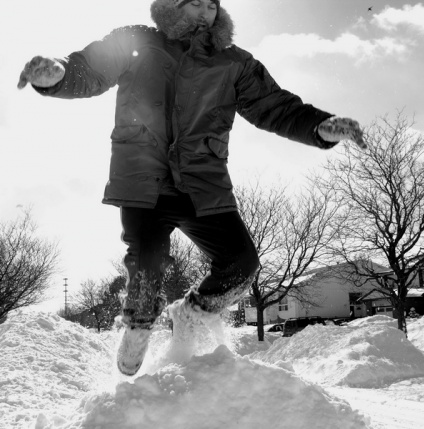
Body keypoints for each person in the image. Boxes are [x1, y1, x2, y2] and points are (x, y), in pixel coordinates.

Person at [18, 0, 366, 375]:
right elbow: (89, 69)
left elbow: (275, 107)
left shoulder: (233, 62)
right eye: (194, 4)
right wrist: (58, 75)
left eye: (212, 6)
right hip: (144, 178)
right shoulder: (136, 41)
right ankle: (137, 327)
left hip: (203, 181)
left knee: (242, 263)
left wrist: (319, 127)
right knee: (146, 262)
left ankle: (191, 312)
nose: (204, 13)